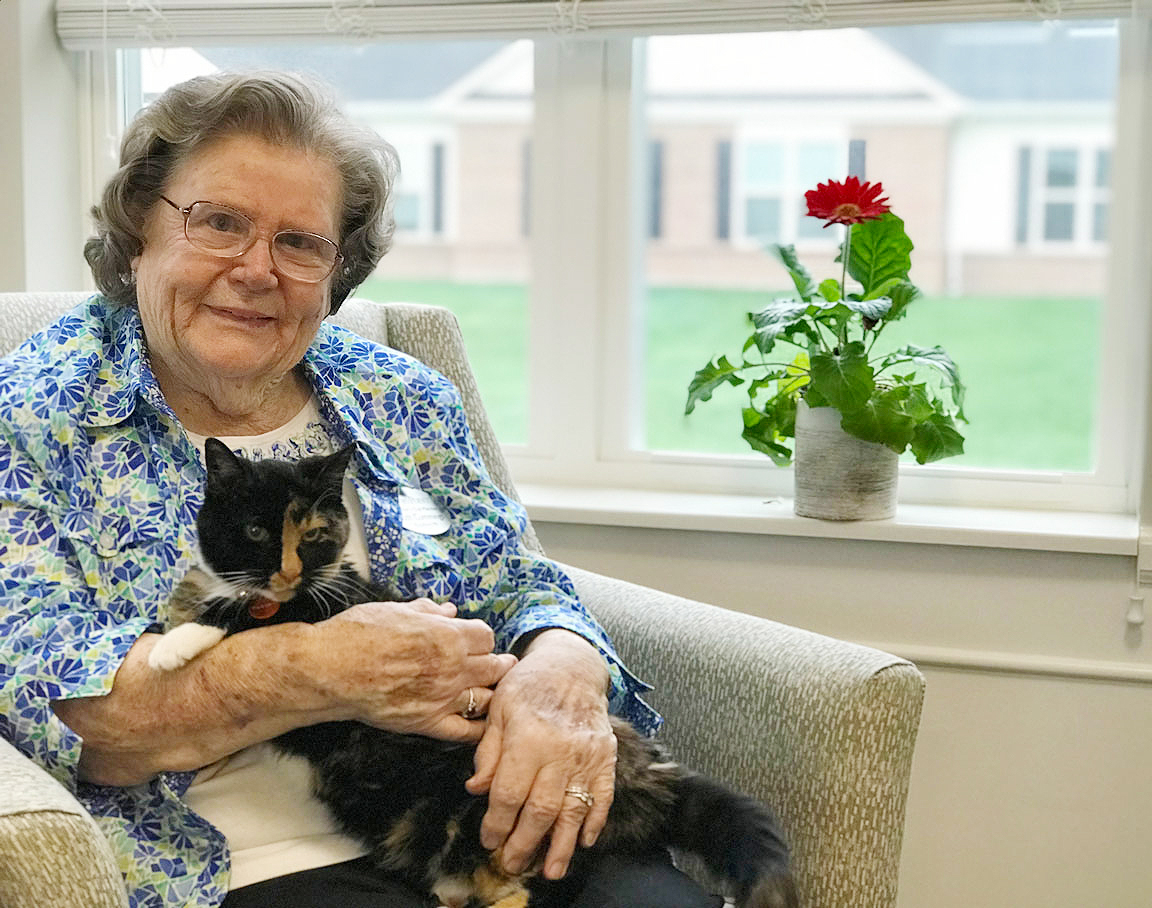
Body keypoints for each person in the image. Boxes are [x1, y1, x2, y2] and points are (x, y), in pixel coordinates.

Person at [0, 71, 720, 908]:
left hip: (476, 812)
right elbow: (69, 714)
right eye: (220, 223)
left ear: (337, 271)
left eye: (300, 243)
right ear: (137, 235)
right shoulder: (32, 417)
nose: (256, 269)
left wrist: (561, 671)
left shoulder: (401, 396)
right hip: (239, 862)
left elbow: (519, 583)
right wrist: (311, 667)